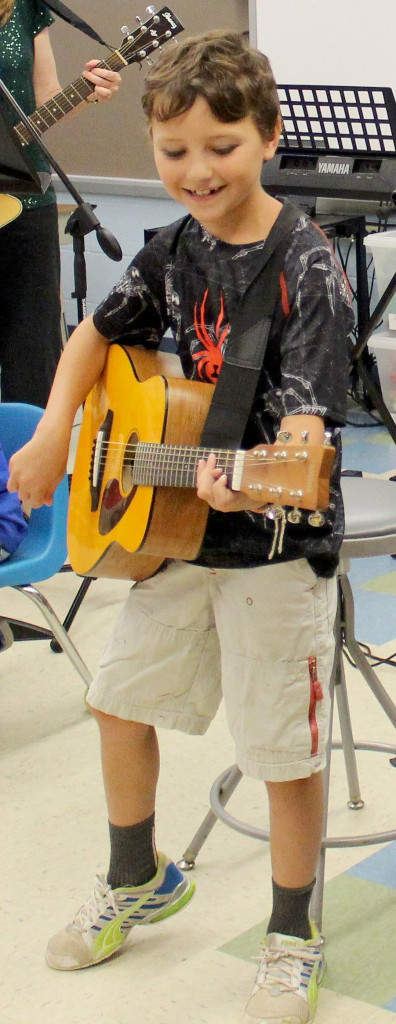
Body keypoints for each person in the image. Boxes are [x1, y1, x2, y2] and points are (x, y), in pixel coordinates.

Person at [8, 31, 354, 1024]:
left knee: (283, 750)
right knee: (120, 701)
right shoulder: (170, 250)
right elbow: (93, 331)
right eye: (173, 151)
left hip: (275, 547)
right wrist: (62, 426)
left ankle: (292, 931)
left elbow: (300, 440)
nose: (195, 171)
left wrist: (263, 477)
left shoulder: (308, 268)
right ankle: (139, 876)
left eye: (222, 146)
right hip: (170, 540)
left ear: (269, 137)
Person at [0, 0, 121, 407]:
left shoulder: (27, 6)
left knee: (34, 357)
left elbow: (44, 98)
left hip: (28, 203)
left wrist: (87, 91)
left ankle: (28, 465)